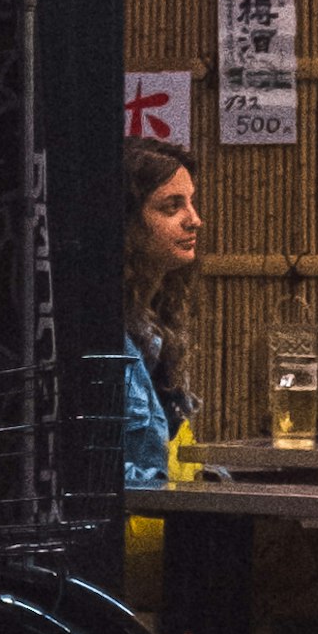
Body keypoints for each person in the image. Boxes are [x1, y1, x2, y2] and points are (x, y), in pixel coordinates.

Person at [121, 136, 202, 486]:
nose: (194, 220)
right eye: (172, 207)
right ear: (126, 223)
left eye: (192, 203)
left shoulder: (156, 321)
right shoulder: (100, 331)